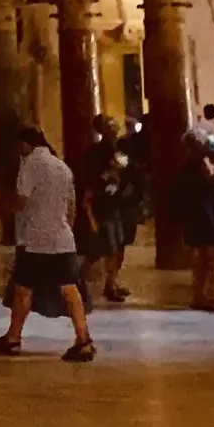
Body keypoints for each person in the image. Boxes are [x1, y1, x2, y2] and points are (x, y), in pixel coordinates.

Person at [0, 125, 96, 362]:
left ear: (25, 144)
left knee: (23, 288)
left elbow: (22, 202)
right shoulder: (61, 166)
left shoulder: (31, 165)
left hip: (35, 240)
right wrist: (61, 227)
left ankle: (13, 339)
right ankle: (83, 339)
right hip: (62, 238)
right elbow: (71, 208)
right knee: (70, 288)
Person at [74, 113, 138, 304]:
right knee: (101, 249)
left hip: (118, 203)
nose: (114, 128)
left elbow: (128, 170)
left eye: (114, 125)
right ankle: (77, 279)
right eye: (109, 125)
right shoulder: (93, 153)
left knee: (118, 245)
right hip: (102, 205)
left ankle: (112, 283)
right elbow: (90, 181)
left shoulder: (119, 149)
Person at [178, 120, 214, 311]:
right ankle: (207, 294)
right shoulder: (202, 162)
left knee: (200, 255)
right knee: (212, 254)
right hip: (206, 210)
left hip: (196, 211)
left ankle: (199, 295)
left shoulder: (188, 163)